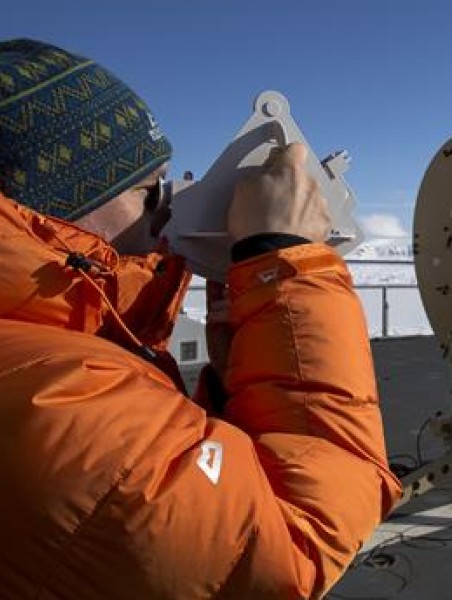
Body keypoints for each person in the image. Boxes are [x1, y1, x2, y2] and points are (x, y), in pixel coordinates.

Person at [0, 39, 401, 599]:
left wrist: (238, 387)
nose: (168, 207)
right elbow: (292, 546)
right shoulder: (56, 398)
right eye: (149, 189)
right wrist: (284, 260)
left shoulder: (48, 352)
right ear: (53, 206)